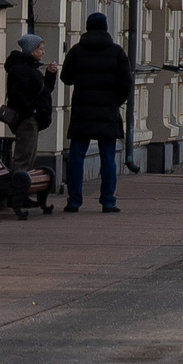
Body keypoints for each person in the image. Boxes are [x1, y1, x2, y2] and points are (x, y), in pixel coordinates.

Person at [60, 11, 133, 214]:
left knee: (76, 157)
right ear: (106, 27)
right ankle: (108, 200)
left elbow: (66, 78)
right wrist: (115, 101)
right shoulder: (117, 52)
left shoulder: (77, 51)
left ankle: (74, 201)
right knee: (108, 158)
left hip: (82, 111)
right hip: (107, 112)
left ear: (87, 27)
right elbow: (126, 82)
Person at [2, 33, 54, 178]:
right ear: (31, 51)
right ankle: (16, 193)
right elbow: (17, 96)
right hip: (27, 120)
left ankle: (22, 192)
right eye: (40, 49)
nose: (43, 52)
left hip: (31, 119)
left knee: (29, 158)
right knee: (23, 158)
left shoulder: (30, 68)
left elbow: (44, 90)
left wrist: (50, 75)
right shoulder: (22, 70)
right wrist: (31, 113)